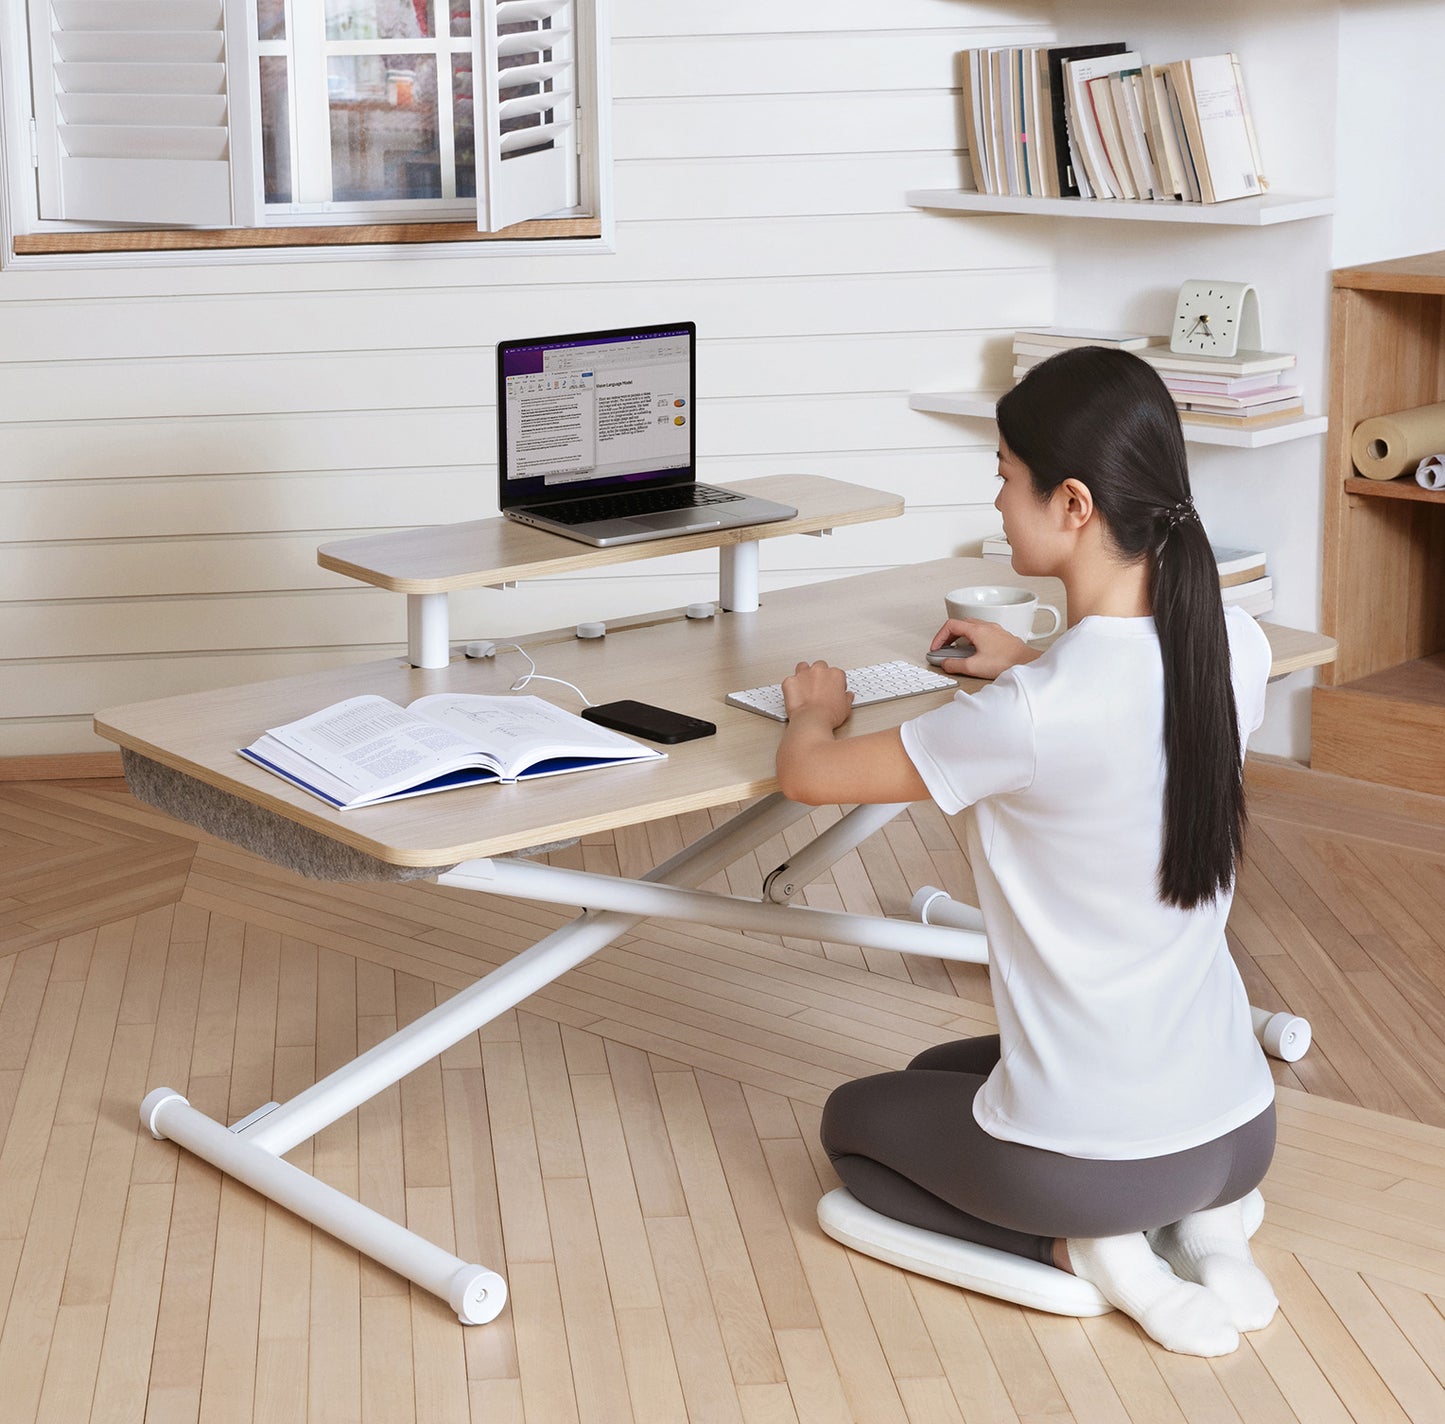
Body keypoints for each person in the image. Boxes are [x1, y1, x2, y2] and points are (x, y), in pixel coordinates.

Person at [774, 345, 1278, 1358]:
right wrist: (1026, 662)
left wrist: (813, 712)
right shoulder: (1230, 642)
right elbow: (1119, 701)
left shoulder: (1034, 714)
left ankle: (1087, 1250)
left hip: (1094, 1166)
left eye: (1005, 476)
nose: (996, 500)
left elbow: (809, 779)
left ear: (1075, 504)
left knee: (852, 1123)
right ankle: (1210, 1233)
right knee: (935, 1068)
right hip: (1236, 1130)